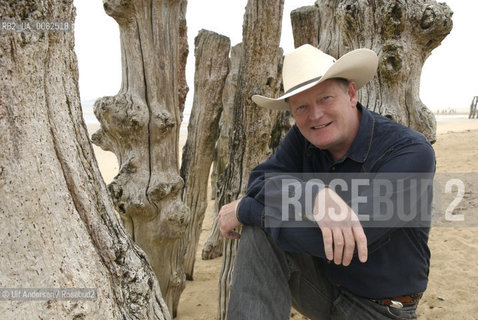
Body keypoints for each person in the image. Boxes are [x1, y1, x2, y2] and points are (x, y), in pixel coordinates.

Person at [217, 44, 435, 320]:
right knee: (259, 234)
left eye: (326, 99)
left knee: (259, 220)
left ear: (351, 94)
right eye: (302, 107)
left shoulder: (409, 152)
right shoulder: (304, 136)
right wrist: (312, 193)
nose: (315, 115)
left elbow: (351, 242)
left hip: (380, 308)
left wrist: (245, 210)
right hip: (325, 287)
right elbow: (261, 179)